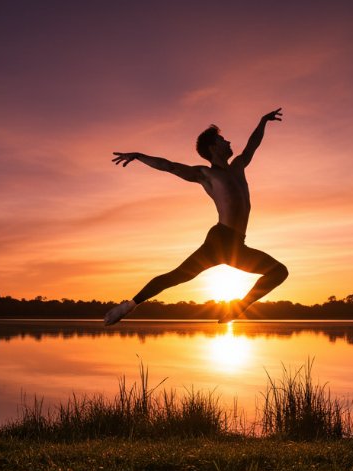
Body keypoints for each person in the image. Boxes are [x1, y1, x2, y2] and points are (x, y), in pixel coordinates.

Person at [104, 108, 289, 325]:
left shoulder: (238, 166)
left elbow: (253, 144)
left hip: (237, 245)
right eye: (222, 139)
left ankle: (238, 308)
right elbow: (169, 166)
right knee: (177, 276)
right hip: (220, 240)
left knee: (278, 272)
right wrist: (138, 156)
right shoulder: (206, 174)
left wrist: (263, 121)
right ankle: (128, 306)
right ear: (212, 147)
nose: (228, 141)